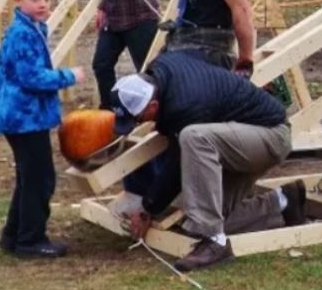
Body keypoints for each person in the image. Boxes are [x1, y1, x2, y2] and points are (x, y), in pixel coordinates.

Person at [111, 49, 307, 271]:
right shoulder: (163, 67)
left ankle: (215, 242)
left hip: (269, 135)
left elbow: (177, 163)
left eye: (136, 119)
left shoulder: (184, 105)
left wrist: (148, 208)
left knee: (193, 138)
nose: (136, 124)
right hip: (235, 136)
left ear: (153, 106)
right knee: (199, 222)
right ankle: (283, 202)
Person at [0, 0, 85, 258]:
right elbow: (31, 77)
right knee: (41, 179)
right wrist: (68, 76)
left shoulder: (33, 27)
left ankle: (13, 235)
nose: (43, 4)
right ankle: (31, 240)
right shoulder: (21, 34)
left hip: (27, 117)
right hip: (22, 119)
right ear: (17, 0)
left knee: (29, 177)